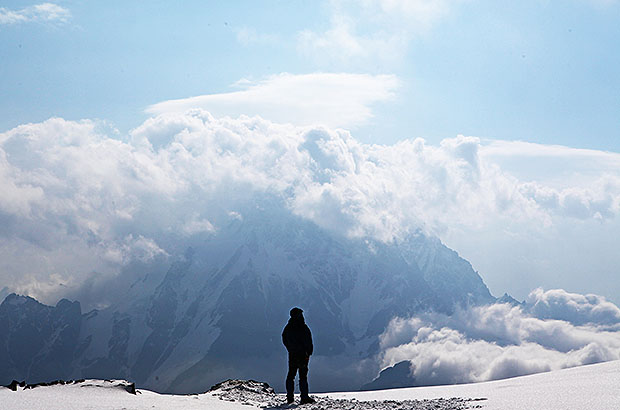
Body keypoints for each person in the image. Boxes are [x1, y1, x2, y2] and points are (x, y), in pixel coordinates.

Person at [282, 307, 315, 404]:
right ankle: (304, 397)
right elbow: (308, 341)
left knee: (291, 375)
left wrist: (290, 349)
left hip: (292, 355)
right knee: (303, 376)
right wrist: (308, 352)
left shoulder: (288, 327)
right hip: (302, 356)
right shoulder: (303, 327)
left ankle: (290, 398)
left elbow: (284, 339)